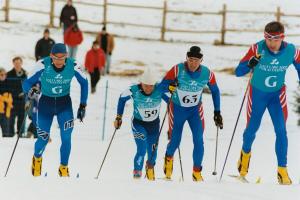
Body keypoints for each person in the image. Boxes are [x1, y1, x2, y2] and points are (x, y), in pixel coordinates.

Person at [235, 21, 300, 185]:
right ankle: (244, 158)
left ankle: (282, 171)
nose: (271, 43)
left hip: (277, 96)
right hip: (257, 94)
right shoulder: (257, 48)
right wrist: (250, 64)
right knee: (251, 130)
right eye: (268, 39)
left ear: (282, 37)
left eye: (275, 39)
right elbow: (238, 71)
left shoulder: (292, 51)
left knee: (281, 130)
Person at [22, 43, 88, 177]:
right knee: (43, 138)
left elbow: (84, 83)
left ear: (66, 56)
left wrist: (82, 105)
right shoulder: (42, 64)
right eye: (56, 58)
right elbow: (26, 82)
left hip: (64, 105)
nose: (59, 61)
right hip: (46, 104)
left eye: (62, 58)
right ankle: (37, 160)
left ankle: (63, 168)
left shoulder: (73, 65)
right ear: (51, 56)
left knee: (66, 137)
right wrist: (31, 91)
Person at [161, 46, 223, 181]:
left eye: (196, 60)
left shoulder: (208, 73)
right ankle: (169, 159)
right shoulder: (178, 69)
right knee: (175, 140)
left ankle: (196, 172)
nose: (193, 63)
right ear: (186, 59)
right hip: (177, 109)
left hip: (195, 110)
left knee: (199, 140)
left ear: (201, 60)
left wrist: (217, 111)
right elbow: (160, 87)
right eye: (190, 60)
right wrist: (169, 88)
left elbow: (215, 91)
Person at [114, 67, 169, 180]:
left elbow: (172, 101)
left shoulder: (159, 89)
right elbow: (122, 98)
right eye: (145, 85)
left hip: (154, 125)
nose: (148, 88)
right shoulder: (134, 90)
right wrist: (119, 117)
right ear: (141, 83)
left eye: (151, 86)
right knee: (142, 149)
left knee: (153, 152)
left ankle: (150, 171)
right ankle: (137, 172)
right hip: (139, 124)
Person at [7, 56, 27, 137]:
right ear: (13, 64)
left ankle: (20, 134)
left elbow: (27, 86)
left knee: (21, 118)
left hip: (22, 100)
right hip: (11, 100)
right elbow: (6, 87)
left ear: (21, 63)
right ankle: (10, 134)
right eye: (16, 63)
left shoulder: (25, 74)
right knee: (11, 119)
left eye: (19, 63)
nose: (17, 65)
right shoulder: (8, 74)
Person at [0, 68, 13, 137]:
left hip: (6, 112)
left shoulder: (8, 84)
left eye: (5, 74)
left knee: (6, 133)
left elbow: (10, 99)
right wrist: (5, 98)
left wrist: (4, 98)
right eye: (2, 74)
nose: (3, 76)